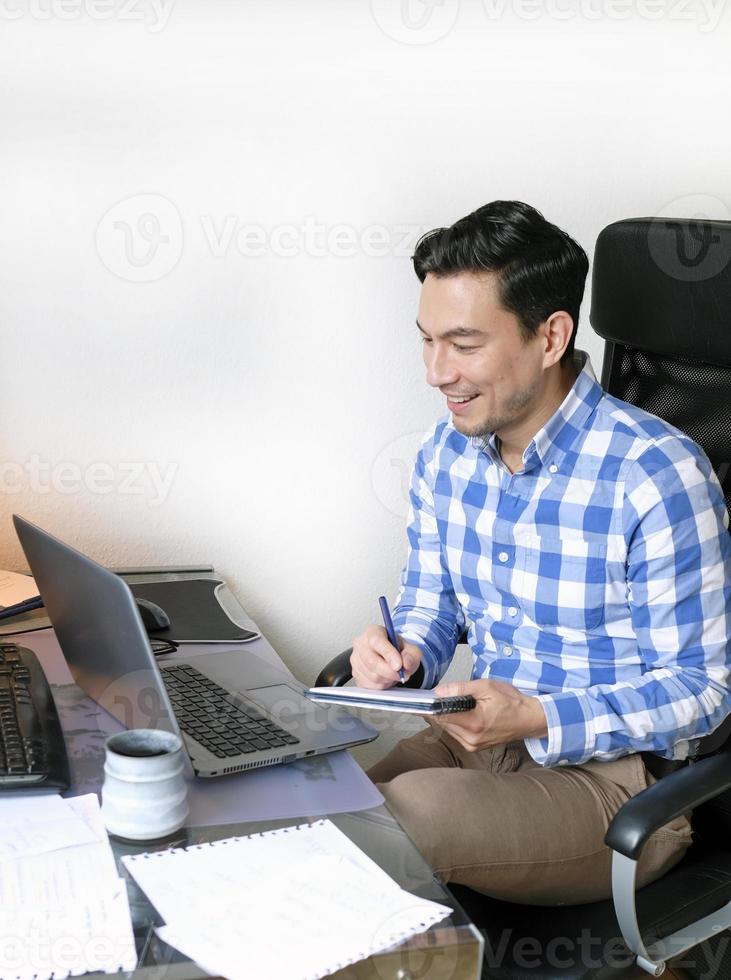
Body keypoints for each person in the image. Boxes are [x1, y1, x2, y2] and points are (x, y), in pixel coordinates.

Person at [350, 200, 731, 905]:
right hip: (477, 737)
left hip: (617, 786)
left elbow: (703, 692)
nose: (436, 372)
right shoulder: (447, 452)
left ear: (550, 335)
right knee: (310, 808)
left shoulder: (655, 475)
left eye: (463, 344)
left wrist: (536, 717)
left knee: (404, 821)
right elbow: (432, 606)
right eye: (427, 340)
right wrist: (401, 652)